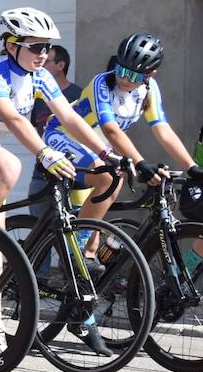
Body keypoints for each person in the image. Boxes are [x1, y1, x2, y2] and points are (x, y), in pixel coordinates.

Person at [0, 7, 115, 355]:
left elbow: (69, 118)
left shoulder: (41, 77)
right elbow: (16, 123)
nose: (43, 55)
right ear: (11, 44)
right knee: (10, 164)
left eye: (46, 48)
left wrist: (106, 152)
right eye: (35, 47)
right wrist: (45, 153)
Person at [44, 32, 203, 266]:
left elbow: (163, 130)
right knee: (110, 179)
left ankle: (86, 244)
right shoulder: (102, 82)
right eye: (121, 69)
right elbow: (111, 130)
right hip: (64, 136)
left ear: (150, 75)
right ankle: (75, 245)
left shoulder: (149, 89)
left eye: (132, 74)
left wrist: (192, 167)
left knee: (112, 183)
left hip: (99, 146)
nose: (124, 78)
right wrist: (140, 163)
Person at [27, 44, 81, 213]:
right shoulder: (37, 96)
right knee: (37, 223)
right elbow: (35, 129)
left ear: (61, 65)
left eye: (47, 61)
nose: (41, 64)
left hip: (74, 172)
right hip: (42, 170)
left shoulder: (78, 94)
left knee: (75, 227)